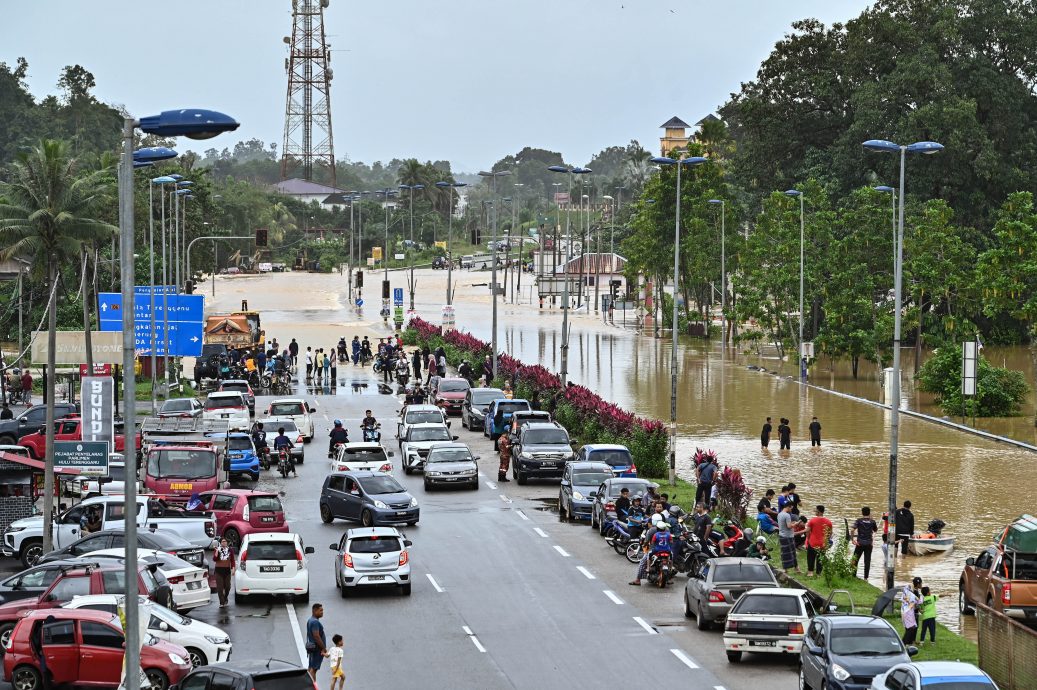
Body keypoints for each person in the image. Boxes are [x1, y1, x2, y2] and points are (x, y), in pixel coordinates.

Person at [804, 505, 833, 577]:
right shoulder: (828, 522)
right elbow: (830, 533)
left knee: (810, 557)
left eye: (816, 510)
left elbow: (807, 531)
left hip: (813, 542)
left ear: (819, 512)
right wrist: (826, 540)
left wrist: (808, 538)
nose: (815, 512)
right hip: (822, 543)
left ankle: (810, 572)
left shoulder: (812, 520)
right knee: (820, 558)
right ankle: (818, 573)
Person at [851, 506, 879, 579]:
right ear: (869, 513)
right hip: (869, 544)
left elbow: (852, 530)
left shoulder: (859, 521)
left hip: (859, 543)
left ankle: (853, 575)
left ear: (862, 513)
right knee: (867, 561)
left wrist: (852, 540)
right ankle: (866, 578)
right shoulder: (872, 521)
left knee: (855, 559)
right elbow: (875, 530)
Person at [306, 603, 329, 683]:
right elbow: (316, 636)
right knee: (313, 669)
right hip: (317, 648)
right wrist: (323, 648)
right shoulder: (315, 622)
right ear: (315, 611)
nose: (322, 612)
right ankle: (312, 687)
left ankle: (309, 685)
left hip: (312, 647)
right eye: (320, 610)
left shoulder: (310, 620)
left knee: (310, 668)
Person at [778, 502, 801, 574]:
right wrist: (796, 523)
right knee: (790, 553)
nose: (792, 510)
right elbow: (789, 526)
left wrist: (792, 523)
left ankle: (796, 568)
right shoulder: (787, 515)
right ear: (788, 507)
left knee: (785, 552)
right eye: (791, 508)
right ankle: (787, 569)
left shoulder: (779, 514)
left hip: (782, 535)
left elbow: (784, 524)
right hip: (788, 536)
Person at [213, 537, 235, 607]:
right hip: (218, 571)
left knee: (228, 587)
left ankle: (225, 598)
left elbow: (232, 560)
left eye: (225, 541)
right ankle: (221, 602)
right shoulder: (218, 549)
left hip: (227, 571)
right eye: (222, 541)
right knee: (220, 588)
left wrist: (233, 568)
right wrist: (216, 551)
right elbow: (214, 559)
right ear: (220, 543)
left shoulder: (230, 550)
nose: (224, 543)